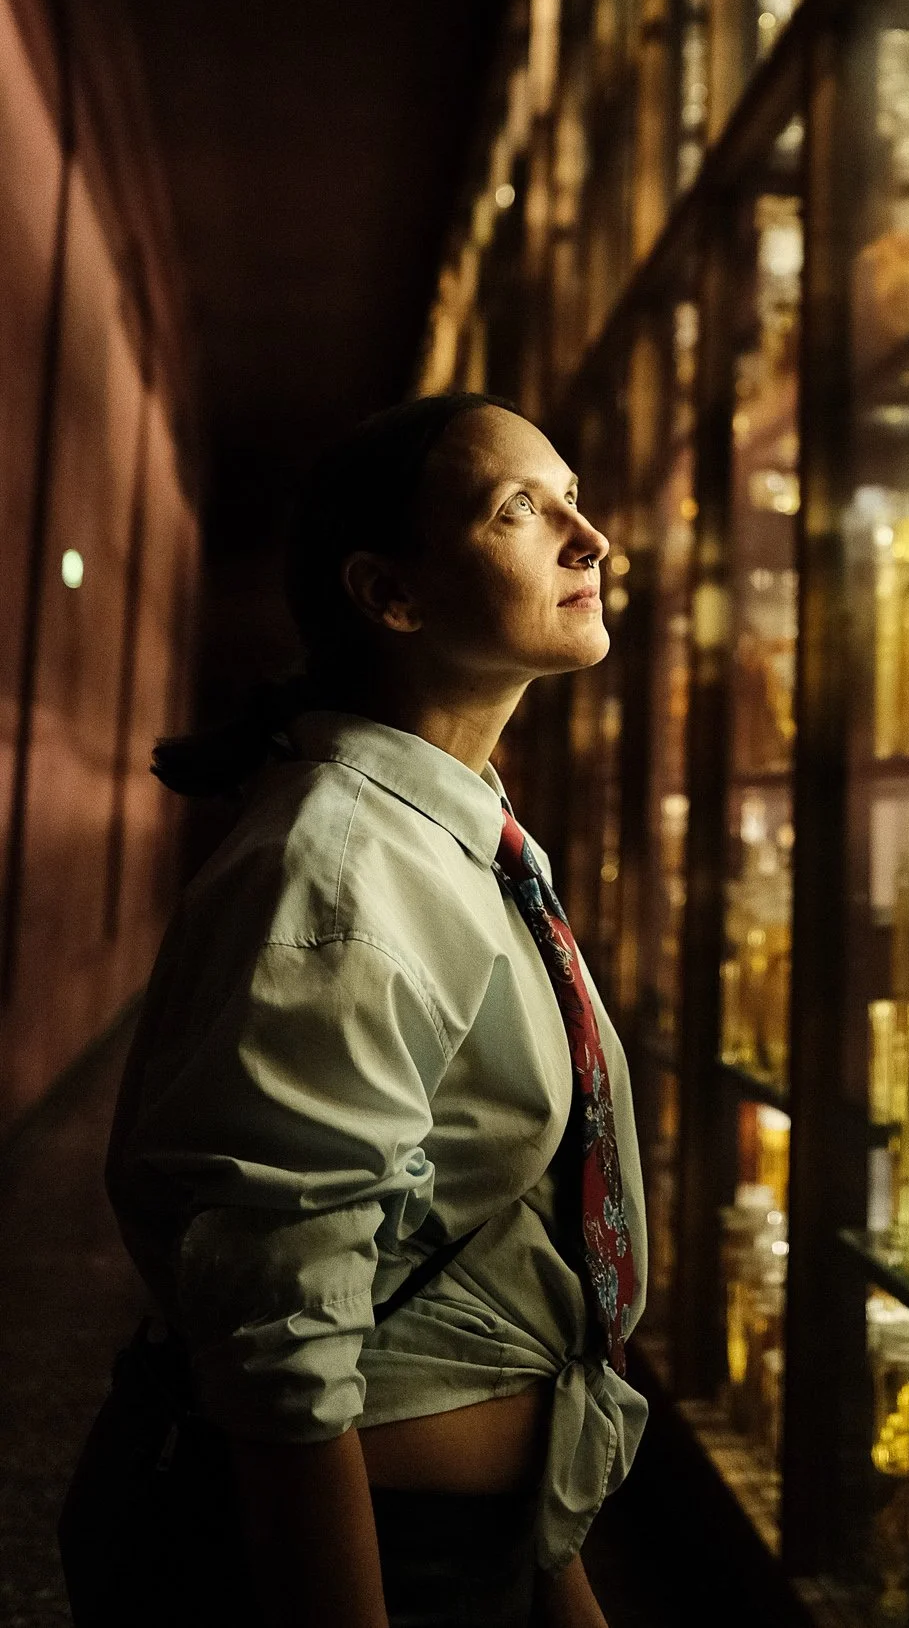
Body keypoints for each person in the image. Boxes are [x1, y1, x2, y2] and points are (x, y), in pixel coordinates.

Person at [78, 392, 645, 1628]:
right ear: (391, 594)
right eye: (521, 509)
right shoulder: (342, 869)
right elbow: (278, 1344)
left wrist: (553, 1577)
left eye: (571, 497)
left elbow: (495, 1246)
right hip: (363, 1562)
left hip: (481, 1543)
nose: (586, 535)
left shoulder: (461, 837)